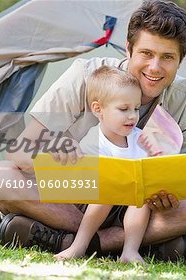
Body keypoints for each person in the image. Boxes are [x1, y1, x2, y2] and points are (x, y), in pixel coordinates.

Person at [0, 0, 186, 261]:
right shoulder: (84, 76)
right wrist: (51, 153)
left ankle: (69, 242)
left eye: (167, 57)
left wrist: (171, 195)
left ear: (180, 60)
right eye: (146, 53)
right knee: (2, 177)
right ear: (128, 49)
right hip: (75, 197)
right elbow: (18, 154)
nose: (155, 67)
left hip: (141, 207)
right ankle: (121, 244)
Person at [56, 65, 156, 263]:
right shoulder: (93, 141)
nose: (132, 116)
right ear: (98, 109)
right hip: (95, 203)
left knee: (142, 198)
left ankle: (130, 251)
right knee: (107, 190)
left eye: (136, 109)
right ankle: (79, 245)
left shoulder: (140, 138)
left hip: (125, 205)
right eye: (123, 109)